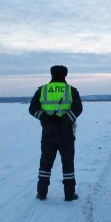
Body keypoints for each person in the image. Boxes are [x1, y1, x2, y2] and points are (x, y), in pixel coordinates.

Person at [29, 65, 83, 201]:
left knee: (45, 163)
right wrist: (64, 120)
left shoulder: (43, 90)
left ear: (51, 74)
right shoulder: (71, 90)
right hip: (66, 132)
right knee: (68, 163)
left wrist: (46, 118)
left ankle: (41, 193)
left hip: (48, 132)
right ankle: (69, 194)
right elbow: (78, 108)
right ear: (65, 75)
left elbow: (32, 109)